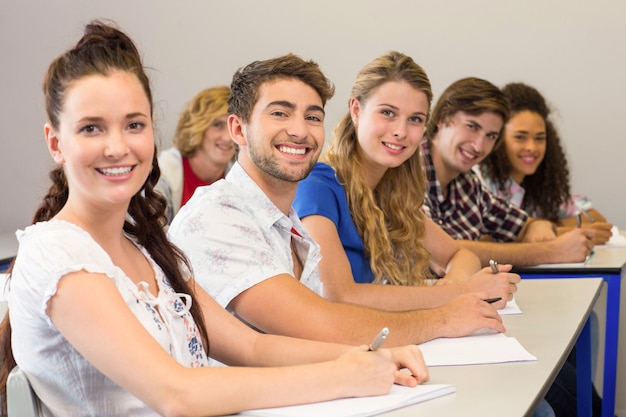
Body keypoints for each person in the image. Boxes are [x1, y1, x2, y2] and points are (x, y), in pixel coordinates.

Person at [0, 21, 429, 417]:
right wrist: (341, 377)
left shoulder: (148, 249)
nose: (117, 147)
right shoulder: (57, 253)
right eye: (92, 128)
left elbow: (252, 346)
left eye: (134, 125)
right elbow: (177, 395)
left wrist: (365, 356)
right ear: (56, 142)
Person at [168, 53, 508, 349]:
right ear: (239, 130)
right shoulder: (217, 215)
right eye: (280, 114)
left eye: (313, 117)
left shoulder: (290, 225)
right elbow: (324, 321)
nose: (300, 131)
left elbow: (316, 333)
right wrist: (444, 314)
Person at [290, 51, 518, 312]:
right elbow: (339, 295)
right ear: (356, 109)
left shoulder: (389, 194)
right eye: (388, 113)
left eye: (415, 119)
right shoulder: (317, 185)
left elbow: (461, 255)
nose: (400, 131)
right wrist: (460, 292)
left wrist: (453, 290)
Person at [421, 77, 595, 267]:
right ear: (442, 119)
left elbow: (524, 224)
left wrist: (539, 226)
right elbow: (441, 251)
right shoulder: (408, 171)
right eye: (472, 127)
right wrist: (550, 251)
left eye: (491, 136)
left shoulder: (468, 183)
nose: (479, 146)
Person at [478, 82, 612, 246]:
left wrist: (544, 227)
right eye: (520, 137)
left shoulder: (538, 188)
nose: (532, 147)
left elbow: (596, 219)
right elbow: (485, 240)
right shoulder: (480, 183)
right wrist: (562, 231)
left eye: (540, 138)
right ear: (498, 138)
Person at [155, 85, 236, 223]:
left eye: (233, 126)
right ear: (197, 126)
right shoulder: (161, 174)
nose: (228, 137)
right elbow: (152, 236)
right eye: (218, 125)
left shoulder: (239, 178)